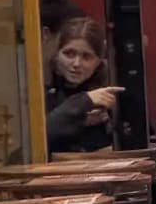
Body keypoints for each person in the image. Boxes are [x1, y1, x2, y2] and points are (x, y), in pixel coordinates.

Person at [45, 17, 119, 153]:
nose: (76, 64)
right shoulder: (41, 89)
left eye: (86, 57)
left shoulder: (111, 90)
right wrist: (85, 101)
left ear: (98, 61)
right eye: (69, 54)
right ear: (57, 54)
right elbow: (42, 134)